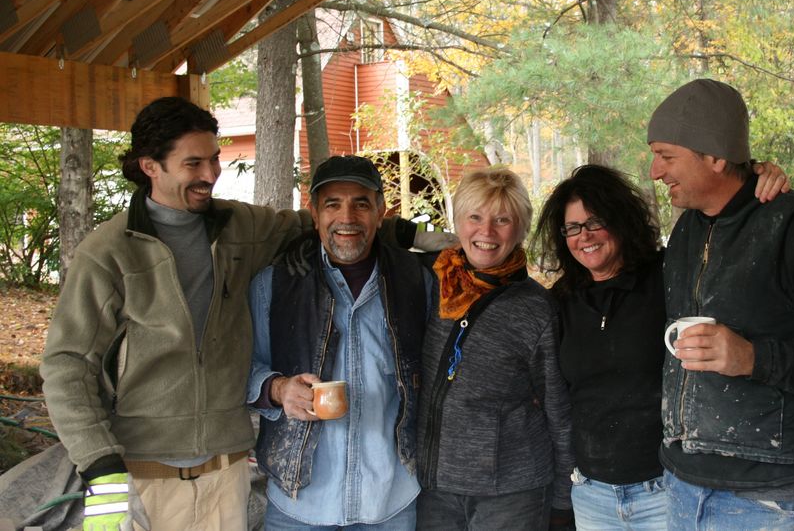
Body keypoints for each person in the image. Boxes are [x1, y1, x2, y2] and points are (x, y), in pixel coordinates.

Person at [40, 98, 451, 530]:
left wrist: (417, 236)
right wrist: (99, 465)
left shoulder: (238, 228)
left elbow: (327, 220)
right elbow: (67, 365)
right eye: (193, 163)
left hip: (226, 469)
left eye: (214, 159)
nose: (210, 174)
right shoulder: (109, 252)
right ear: (150, 166)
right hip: (142, 470)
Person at [647, 78, 794, 530]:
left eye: (667, 155)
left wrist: (753, 357)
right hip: (679, 485)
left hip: (765, 499)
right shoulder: (687, 230)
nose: (655, 171)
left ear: (715, 157)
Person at [533, 162, 791, 531]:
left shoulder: (669, 277)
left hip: (666, 489)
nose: (583, 236)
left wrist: (752, 176)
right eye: (572, 227)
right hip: (592, 494)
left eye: (595, 222)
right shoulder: (561, 301)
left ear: (621, 219)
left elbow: (722, 230)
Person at [247, 155, 431, 530]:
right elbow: (238, 367)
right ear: (314, 214)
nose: (347, 217)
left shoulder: (419, 282)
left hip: (392, 503)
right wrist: (279, 389)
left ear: (381, 212)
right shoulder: (274, 284)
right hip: (299, 506)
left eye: (361, 203)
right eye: (332, 204)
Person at [416, 167, 575, 531]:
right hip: (434, 489)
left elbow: (558, 409)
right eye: (474, 217)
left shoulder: (536, 309)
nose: (486, 232)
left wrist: (564, 500)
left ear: (520, 229)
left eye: (502, 220)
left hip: (511, 494)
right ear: (457, 221)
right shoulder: (431, 282)